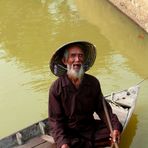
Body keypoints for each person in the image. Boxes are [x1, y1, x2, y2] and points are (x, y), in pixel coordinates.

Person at [48, 41, 122, 148]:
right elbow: (55, 121)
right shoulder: (56, 88)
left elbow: (102, 109)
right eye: (72, 56)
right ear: (65, 61)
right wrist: (63, 143)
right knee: (65, 142)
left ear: (84, 60)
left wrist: (114, 128)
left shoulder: (93, 82)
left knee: (117, 127)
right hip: (69, 132)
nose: (77, 60)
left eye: (80, 56)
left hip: (89, 128)